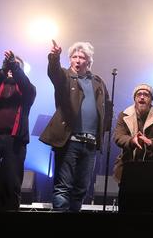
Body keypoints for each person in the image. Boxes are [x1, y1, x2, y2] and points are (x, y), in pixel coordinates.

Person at [39, 40, 112, 212]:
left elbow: (107, 106)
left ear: (89, 61)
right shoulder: (64, 77)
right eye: (74, 57)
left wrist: (103, 128)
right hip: (69, 141)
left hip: (91, 143)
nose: (78, 60)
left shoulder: (98, 82)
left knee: (80, 190)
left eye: (82, 57)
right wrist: (54, 57)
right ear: (70, 60)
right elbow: (54, 73)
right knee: (63, 188)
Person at [0, 50, 36, 211]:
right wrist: (3, 69)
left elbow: (27, 87)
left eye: (15, 65)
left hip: (14, 140)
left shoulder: (26, 89)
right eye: (9, 64)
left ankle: (10, 226)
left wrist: (14, 67)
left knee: (12, 184)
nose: (11, 67)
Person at [113, 84, 153, 181]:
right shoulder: (123, 115)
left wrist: (151, 142)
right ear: (134, 99)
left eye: (146, 95)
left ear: (151, 100)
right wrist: (131, 141)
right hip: (128, 163)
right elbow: (118, 136)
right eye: (139, 94)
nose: (142, 97)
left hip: (152, 165)